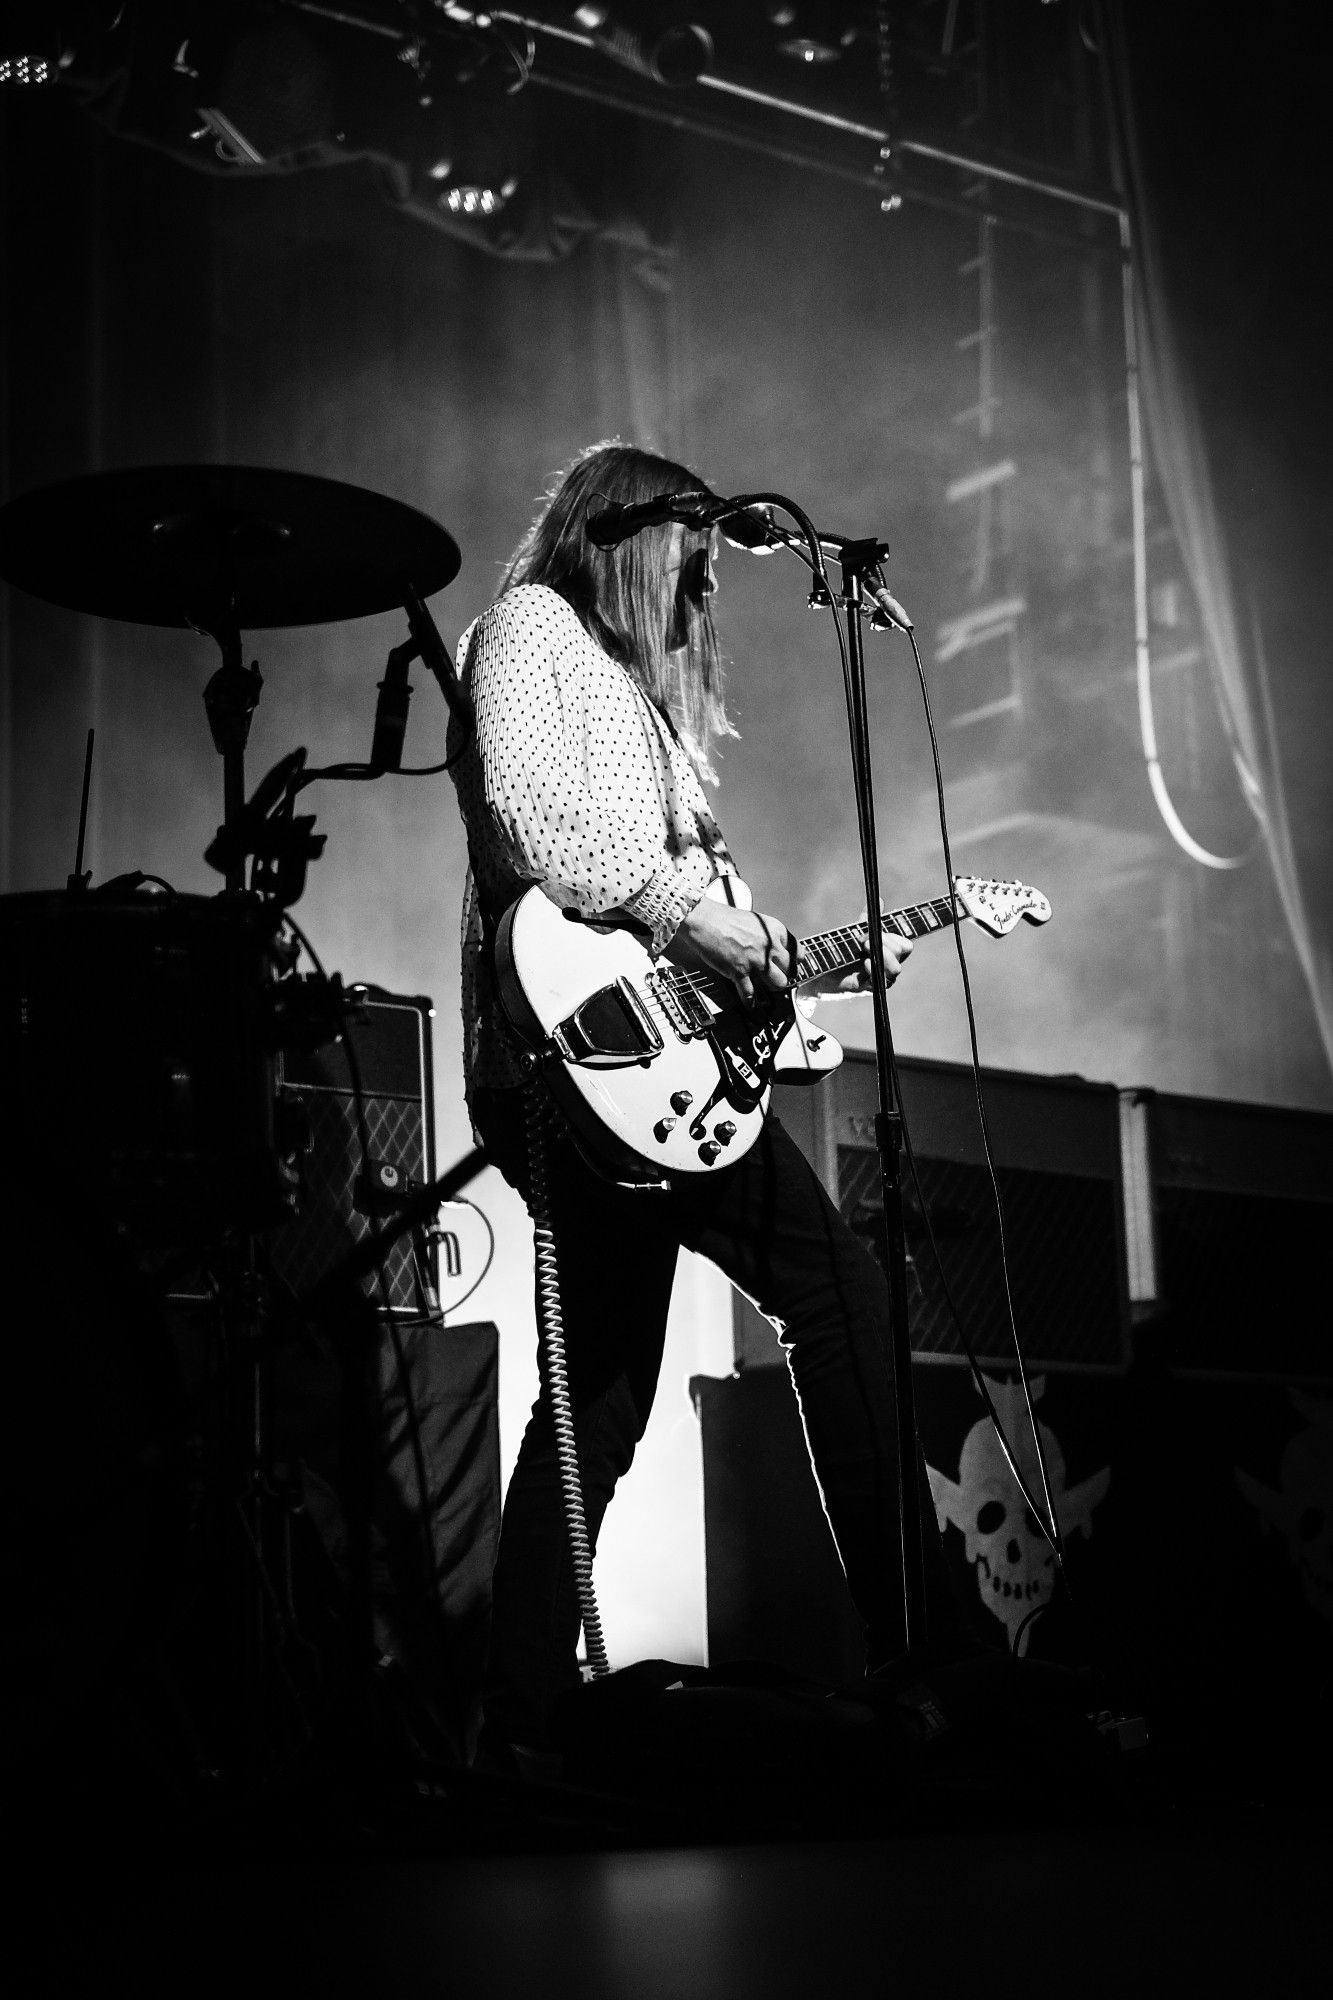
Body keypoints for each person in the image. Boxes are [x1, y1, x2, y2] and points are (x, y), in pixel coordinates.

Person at [447, 441, 973, 1760]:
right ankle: (930, 1654)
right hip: (566, 1058)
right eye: (689, 571)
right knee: (835, 1290)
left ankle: (515, 1710)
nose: (701, 603)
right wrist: (691, 916)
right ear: (623, 536)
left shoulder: (645, 710)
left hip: (646, 1075)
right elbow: (526, 816)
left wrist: (812, 970)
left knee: (603, 1395)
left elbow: (701, 948)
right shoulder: (528, 628)